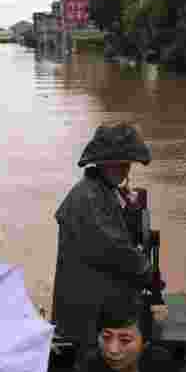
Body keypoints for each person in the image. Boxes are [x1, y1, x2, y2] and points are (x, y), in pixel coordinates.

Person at [52, 123, 153, 348]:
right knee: (91, 363)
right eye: (121, 164)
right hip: (86, 314)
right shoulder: (89, 198)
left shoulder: (104, 190)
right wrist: (146, 271)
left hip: (94, 304)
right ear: (105, 163)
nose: (126, 170)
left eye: (128, 163)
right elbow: (114, 250)